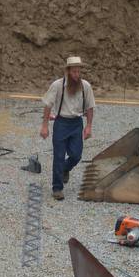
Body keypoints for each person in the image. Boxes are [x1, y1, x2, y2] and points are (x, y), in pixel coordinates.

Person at [40, 56, 95, 200]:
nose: (77, 75)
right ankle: (57, 188)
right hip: (61, 123)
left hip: (77, 123)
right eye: (74, 72)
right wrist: (45, 126)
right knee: (58, 156)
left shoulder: (85, 86)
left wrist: (88, 126)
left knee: (76, 155)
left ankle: (65, 168)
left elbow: (90, 107)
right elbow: (47, 105)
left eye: (79, 72)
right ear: (68, 71)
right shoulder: (57, 85)